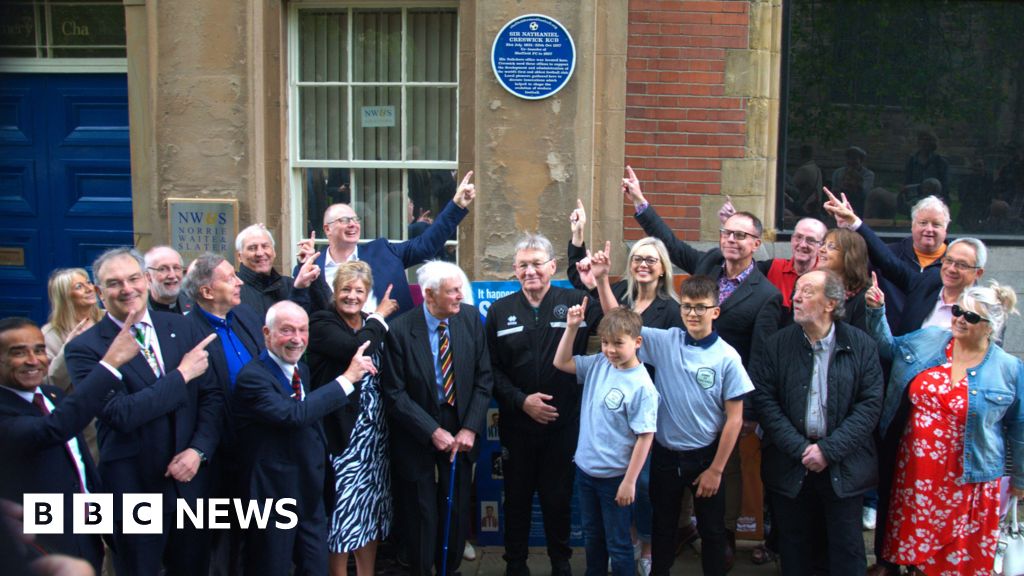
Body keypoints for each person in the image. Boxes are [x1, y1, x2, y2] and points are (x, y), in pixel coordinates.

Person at [622, 165, 781, 562]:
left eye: (741, 236)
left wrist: (749, 411)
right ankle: (678, 534)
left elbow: (760, 358)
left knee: (720, 482)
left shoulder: (767, 296)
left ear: (756, 244)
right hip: (681, 396)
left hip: (726, 398)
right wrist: (641, 204)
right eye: (728, 233)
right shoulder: (709, 262)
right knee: (673, 489)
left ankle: (722, 542)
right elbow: (673, 247)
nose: (731, 241)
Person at [63, 247, 224, 575]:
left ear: (146, 280)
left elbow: (212, 397)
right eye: (114, 283)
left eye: (134, 278)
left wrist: (198, 450)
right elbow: (121, 414)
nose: (127, 289)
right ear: (98, 292)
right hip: (135, 486)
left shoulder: (181, 326)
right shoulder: (86, 349)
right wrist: (181, 375)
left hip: (191, 484)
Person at [593, 262, 751, 576]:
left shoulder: (727, 357)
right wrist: (600, 280)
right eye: (687, 307)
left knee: (713, 531)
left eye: (701, 308)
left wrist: (716, 470)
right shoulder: (667, 342)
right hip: (666, 456)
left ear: (715, 312)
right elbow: (620, 323)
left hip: (705, 459)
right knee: (663, 528)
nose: (693, 314)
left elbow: (734, 420)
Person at [866, 280, 1024, 574]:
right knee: (915, 548)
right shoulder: (931, 338)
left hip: (967, 478)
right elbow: (888, 347)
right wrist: (877, 311)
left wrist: (1021, 480)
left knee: (955, 556)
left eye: (971, 317)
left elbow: (1020, 427)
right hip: (916, 473)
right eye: (957, 311)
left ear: (991, 326)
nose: (960, 320)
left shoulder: (1008, 368)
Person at [752, 270, 882, 576]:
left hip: (843, 466)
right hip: (791, 464)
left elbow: (870, 405)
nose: (795, 297)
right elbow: (766, 402)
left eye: (807, 292)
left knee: (846, 551)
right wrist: (801, 449)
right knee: (795, 551)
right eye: (796, 291)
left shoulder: (861, 345)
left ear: (830, 303)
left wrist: (828, 450)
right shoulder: (777, 345)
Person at [233, 300, 375, 576]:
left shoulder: (302, 370)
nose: (297, 339)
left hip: (310, 493)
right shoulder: (252, 377)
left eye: (303, 330)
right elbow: (293, 415)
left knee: (315, 566)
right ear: (267, 333)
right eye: (287, 331)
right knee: (271, 566)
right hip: (272, 498)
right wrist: (346, 379)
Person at [486, 233, 598, 576]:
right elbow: (490, 370)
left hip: (562, 426)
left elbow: (615, 320)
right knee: (516, 499)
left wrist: (596, 286)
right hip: (517, 425)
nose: (530, 271)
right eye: (523, 265)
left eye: (537, 263)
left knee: (557, 499)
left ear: (552, 266)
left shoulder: (577, 300)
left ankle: (560, 562)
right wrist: (522, 402)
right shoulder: (499, 311)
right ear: (514, 271)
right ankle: (515, 564)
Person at [0, 316, 139, 573]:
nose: (33, 360)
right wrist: (110, 364)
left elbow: (80, 467)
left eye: (39, 350)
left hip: (86, 536)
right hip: (39, 544)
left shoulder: (54, 395)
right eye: (18, 353)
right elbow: (53, 429)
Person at [381, 261, 493, 576]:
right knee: (421, 506)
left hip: (461, 421)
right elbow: (394, 393)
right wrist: (431, 430)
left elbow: (485, 379)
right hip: (417, 424)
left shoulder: (470, 320)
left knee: (455, 502)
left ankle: (450, 566)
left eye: (461, 289)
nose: (461, 295)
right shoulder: (401, 330)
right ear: (430, 295)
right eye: (453, 291)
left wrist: (470, 427)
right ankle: (420, 566)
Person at [307, 261, 399, 576]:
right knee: (342, 515)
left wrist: (375, 320)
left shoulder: (370, 323)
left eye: (359, 290)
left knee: (369, 512)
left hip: (375, 440)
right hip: (342, 438)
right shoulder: (321, 321)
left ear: (367, 293)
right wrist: (380, 316)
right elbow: (357, 348)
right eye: (346, 289)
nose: (351, 296)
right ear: (335, 291)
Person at [553, 304, 658, 576]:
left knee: (619, 544)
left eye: (618, 344)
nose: (610, 350)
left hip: (615, 478)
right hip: (586, 471)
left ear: (637, 342)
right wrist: (572, 328)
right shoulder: (599, 363)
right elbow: (561, 362)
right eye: (606, 343)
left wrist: (630, 481)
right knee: (592, 537)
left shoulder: (642, 386)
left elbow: (645, 437)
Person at [182, 253, 265, 576]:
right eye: (230, 277)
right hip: (220, 451)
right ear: (206, 291)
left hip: (259, 443)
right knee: (222, 540)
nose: (239, 281)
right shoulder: (189, 331)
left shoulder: (244, 314)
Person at [297, 171, 476, 315]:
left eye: (355, 219)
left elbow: (425, 246)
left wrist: (456, 205)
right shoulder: (311, 268)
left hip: (390, 350)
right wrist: (305, 269)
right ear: (327, 229)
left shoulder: (382, 251)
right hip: (338, 353)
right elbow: (301, 313)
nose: (352, 224)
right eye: (344, 220)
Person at [824, 190, 981, 336]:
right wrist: (852, 226)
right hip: (886, 347)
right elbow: (854, 271)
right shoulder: (886, 255)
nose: (929, 229)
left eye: (936, 224)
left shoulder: (956, 270)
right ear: (912, 225)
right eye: (923, 222)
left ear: (946, 228)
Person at [720, 198, 827, 316]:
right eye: (798, 237)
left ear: (821, 246)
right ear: (791, 239)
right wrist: (736, 228)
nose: (802, 245)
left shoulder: (827, 276)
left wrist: (851, 225)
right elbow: (741, 266)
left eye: (810, 240)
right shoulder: (773, 267)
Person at [41, 268, 103, 416]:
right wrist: (68, 348)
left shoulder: (109, 319)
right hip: (82, 416)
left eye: (88, 282)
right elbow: (50, 385)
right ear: (65, 297)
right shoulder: (50, 334)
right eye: (79, 287)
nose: (89, 288)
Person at [236, 223, 319, 317]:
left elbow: (319, 315)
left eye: (265, 246)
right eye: (252, 248)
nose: (260, 253)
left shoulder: (290, 285)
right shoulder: (233, 289)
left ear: (274, 252)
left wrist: (308, 270)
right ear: (239, 256)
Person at [814, 229, 869, 331]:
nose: (821, 249)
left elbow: (860, 342)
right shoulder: (809, 285)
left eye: (831, 247)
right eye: (823, 244)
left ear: (850, 256)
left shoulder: (864, 298)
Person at [145, 245, 193, 314]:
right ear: (148, 276)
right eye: (162, 269)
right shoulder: (139, 311)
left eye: (176, 268)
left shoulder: (195, 305)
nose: (172, 275)